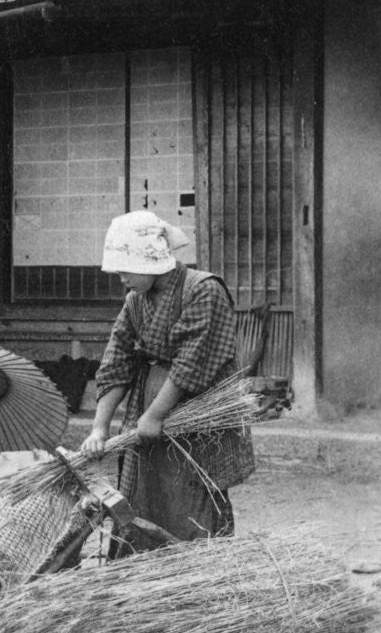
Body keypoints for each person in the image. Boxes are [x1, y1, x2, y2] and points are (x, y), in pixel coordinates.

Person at [80, 211, 254, 554]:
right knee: (144, 488)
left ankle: (195, 566)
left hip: (192, 404)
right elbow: (118, 359)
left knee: (189, 491)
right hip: (149, 403)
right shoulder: (136, 300)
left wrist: (157, 416)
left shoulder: (203, 290)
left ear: (149, 262)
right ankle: (141, 564)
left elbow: (194, 360)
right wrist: (100, 427)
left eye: (124, 270)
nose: (121, 279)